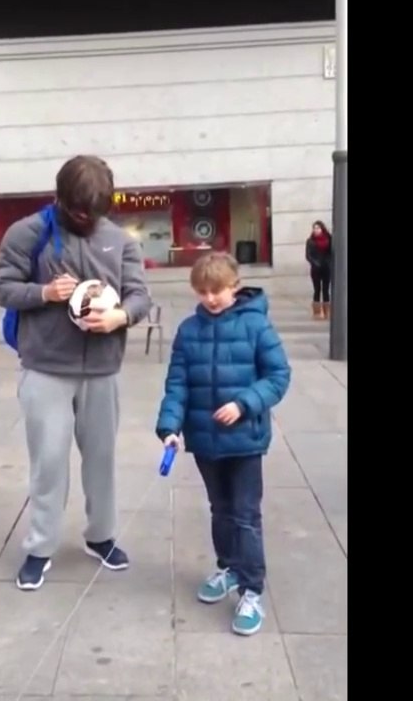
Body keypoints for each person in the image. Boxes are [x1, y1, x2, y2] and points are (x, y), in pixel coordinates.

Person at [0, 155, 153, 591]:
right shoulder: (28, 232)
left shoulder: (119, 240)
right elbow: (2, 288)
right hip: (45, 369)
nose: (87, 219)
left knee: (101, 460)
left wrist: (120, 317)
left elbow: (140, 295)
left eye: (95, 213)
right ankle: (40, 547)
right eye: (79, 212)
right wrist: (43, 292)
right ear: (61, 198)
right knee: (48, 463)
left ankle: (100, 536)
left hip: (102, 370)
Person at [154, 252, 291, 636]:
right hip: (205, 440)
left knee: (246, 514)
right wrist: (169, 426)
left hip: (245, 441)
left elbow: (278, 376)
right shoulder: (188, 330)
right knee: (220, 509)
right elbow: (178, 384)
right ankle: (229, 567)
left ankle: (252, 588)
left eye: (217, 290)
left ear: (234, 285)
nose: (210, 298)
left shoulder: (257, 325)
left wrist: (244, 404)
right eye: (202, 292)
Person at [305, 220, 333, 320]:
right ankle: (317, 313)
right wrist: (315, 263)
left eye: (318, 228)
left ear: (322, 229)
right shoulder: (310, 241)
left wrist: (328, 262)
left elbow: (331, 253)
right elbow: (308, 256)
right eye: (314, 228)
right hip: (316, 269)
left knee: (326, 290)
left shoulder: (329, 239)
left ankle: (327, 312)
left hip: (326, 268)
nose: (316, 230)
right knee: (317, 289)